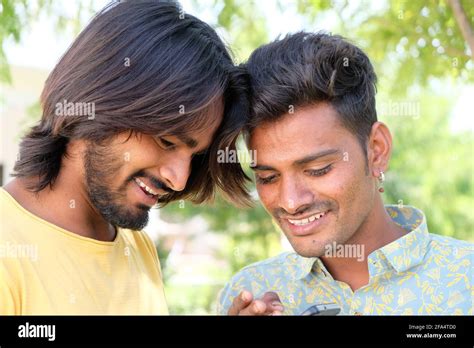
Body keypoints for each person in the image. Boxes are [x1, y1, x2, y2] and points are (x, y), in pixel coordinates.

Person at [0, 0, 250, 315]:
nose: (179, 178)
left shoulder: (137, 247)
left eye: (195, 155)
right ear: (99, 99)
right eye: (167, 140)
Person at [219, 32, 473, 315]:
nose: (291, 202)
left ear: (376, 150)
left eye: (318, 170)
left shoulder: (466, 282)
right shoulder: (249, 292)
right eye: (268, 177)